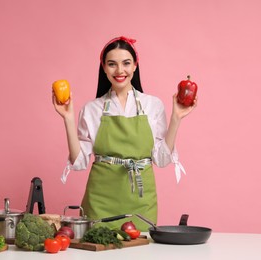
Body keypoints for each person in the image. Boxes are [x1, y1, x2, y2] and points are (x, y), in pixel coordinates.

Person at [52, 36, 197, 231]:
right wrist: (68, 118)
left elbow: (162, 160)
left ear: (135, 65)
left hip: (141, 203)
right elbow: (78, 163)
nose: (120, 71)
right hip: (100, 202)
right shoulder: (92, 109)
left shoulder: (152, 105)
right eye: (112, 64)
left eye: (126, 63)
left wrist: (176, 118)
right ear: (103, 67)